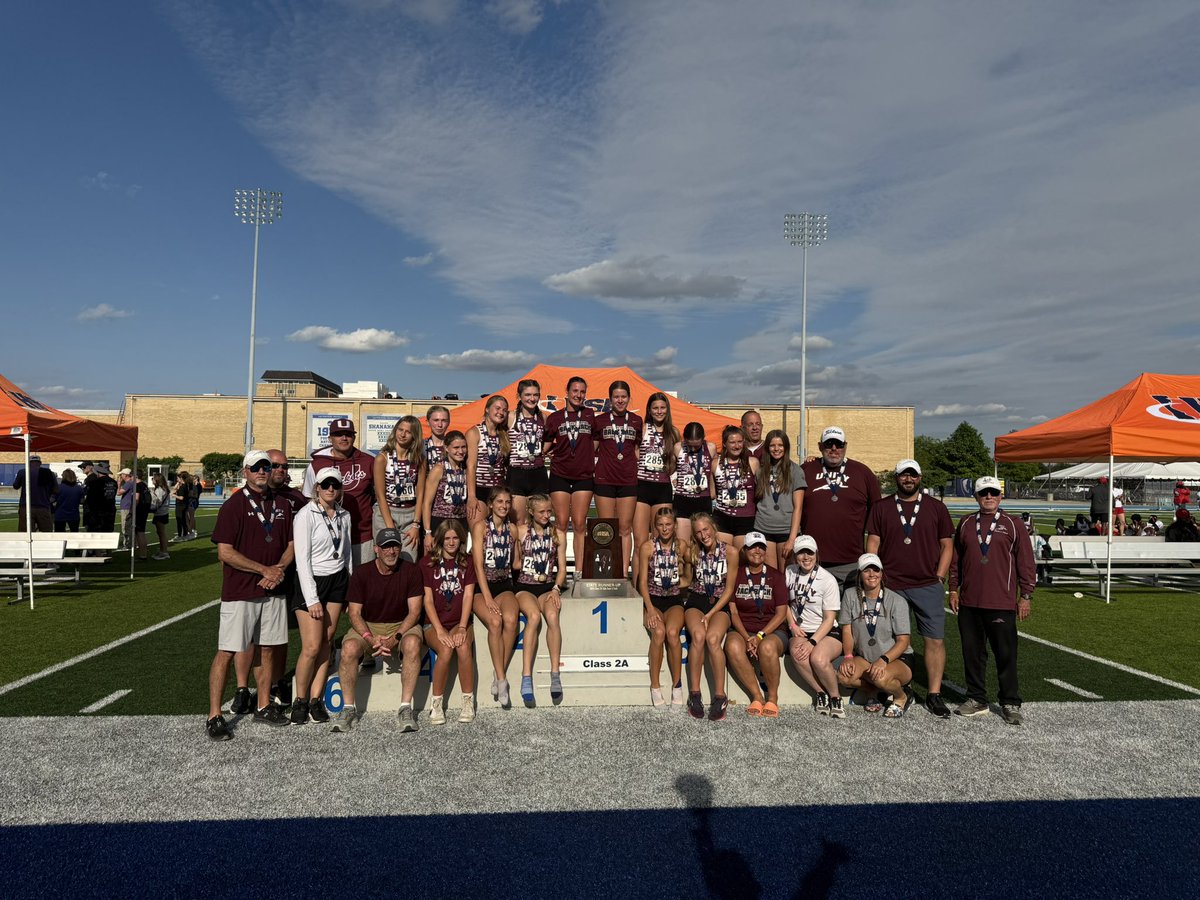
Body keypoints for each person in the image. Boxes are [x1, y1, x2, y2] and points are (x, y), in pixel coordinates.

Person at [205, 450, 294, 741]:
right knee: (227, 651)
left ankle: (264, 704)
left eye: (266, 467)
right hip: (241, 590)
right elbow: (225, 552)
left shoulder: (282, 504)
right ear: (245, 471)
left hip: (274, 588)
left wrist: (278, 570)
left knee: (268, 648)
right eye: (256, 467)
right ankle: (214, 714)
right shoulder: (233, 505)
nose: (262, 472)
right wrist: (263, 570)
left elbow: (291, 544)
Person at [865, 459, 955, 718]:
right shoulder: (882, 507)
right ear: (896, 478)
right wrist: (875, 575)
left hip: (927, 584)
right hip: (892, 584)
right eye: (904, 475)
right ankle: (894, 686)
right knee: (889, 639)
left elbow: (947, 545)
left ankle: (934, 693)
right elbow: (873, 542)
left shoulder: (936, 507)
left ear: (920, 477)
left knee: (934, 639)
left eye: (912, 475)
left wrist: (939, 576)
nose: (908, 479)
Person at [949, 475, 1035, 726]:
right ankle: (976, 698)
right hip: (970, 602)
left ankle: (1010, 701)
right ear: (975, 496)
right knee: (972, 654)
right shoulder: (966, 523)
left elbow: (1026, 561)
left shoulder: (1013, 524)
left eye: (993, 493)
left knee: (1005, 655)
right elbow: (956, 560)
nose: (989, 497)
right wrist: (953, 589)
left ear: (1001, 496)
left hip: (1001, 602)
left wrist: (1026, 595)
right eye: (984, 493)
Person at [330, 527, 425, 734]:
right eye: (386, 547)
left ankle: (405, 708)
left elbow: (414, 612)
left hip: (401, 624)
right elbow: (354, 613)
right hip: (369, 624)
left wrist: (396, 637)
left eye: (395, 546)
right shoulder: (362, 573)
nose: (391, 551)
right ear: (376, 549)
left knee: (412, 643)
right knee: (349, 648)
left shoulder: (411, 571)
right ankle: (348, 708)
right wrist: (370, 638)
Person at [289, 466, 353, 725]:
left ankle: (316, 699)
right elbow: (302, 560)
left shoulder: (344, 515)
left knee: (327, 641)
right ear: (317, 488)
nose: (330, 489)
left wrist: (349, 588)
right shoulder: (305, 515)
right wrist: (312, 598)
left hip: (337, 580)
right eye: (325, 484)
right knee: (312, 646)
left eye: (335, 485)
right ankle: (300, 700)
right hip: (312, 581)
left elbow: (346, 553)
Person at [800, 426, 882, 586]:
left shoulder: (863, 472)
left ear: (845, 446)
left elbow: (878, 514)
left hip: (851, 562)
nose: (834, 448)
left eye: (838, 444)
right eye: (828, 444)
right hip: (812, 560)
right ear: (820, 446)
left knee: (851, 603)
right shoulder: (806, 470)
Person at [836, 553, 916, 718]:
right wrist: (848, 656)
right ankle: (873, 691)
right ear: (860, 574)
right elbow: (847, 630)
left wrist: (883, 660)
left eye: (876, 569)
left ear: (881, 572)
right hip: (865, 657)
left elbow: (903, 641)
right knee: (843, 676)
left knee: (880, 677)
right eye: (866, 570)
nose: (871, 574)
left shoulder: (896, 600)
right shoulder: (850, 595)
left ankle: (901, 696)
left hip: (896, 658)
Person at [722, 531, 788, 717]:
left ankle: (772, 698)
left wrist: (759, 636)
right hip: (743, 629)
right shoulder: (736, 575)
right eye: (752, 547)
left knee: (767, 647)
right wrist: (747, 637)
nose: (757, 551)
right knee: (733, 646)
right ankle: (757, 696)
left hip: (772, 630)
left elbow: (781, 613)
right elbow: (734, 611)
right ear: (744, 550)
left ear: (766, 550)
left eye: (761, 547)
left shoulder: (776, 576)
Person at [420, 520, 477, 725]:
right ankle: (436, 703)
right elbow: (427, 600)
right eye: (447, 538)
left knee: (462, 647)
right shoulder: (427, 563)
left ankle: (468, 701)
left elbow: (468, 596)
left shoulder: (467, 562)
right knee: (445, 649)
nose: (451, 542)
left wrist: (462, 627)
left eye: (455, 538)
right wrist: (439, 630)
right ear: (440, 540)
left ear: (461, 539)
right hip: (434, 623)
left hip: (459, 621)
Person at [681, 511, 737, 720]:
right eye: (698, 532)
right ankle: (695, 694)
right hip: (697, 600)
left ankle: (720, 696)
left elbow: (729, 590)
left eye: (706, 529)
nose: (703, 535)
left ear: (714, 528)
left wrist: (711, 613)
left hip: (719, 603)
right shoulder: (693, 553)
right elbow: (687, 580)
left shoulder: (731, 552)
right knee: (698, 636)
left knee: (713, 639)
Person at [514, 493, 567, 706]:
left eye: (549, 511)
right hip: (524, 587)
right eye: (542, 512)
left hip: (547, 588)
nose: (546, 515)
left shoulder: (558, 534)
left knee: (552, 616)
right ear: (531, 512)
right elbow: (514, 564)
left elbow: (562, 569)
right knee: (534, 617)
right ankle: (526, 676)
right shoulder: (520, 531)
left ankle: (555, 674)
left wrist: (556, 589)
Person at [471, 486, 521, 708]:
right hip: (482, 587)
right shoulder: (480, 527)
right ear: (490, 504)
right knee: (495, 622)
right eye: (499, 502)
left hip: (505, 585)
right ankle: (502, 680)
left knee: (511, 620)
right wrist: (488, 598)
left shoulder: (513, 529)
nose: (504, 506)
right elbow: (478, 566)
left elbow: (516, 563)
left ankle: (498, 672)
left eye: (507, 502)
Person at [302, 416, 376, 565]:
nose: (344, 438)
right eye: (338, 434)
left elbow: (378, 495)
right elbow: (309, 499)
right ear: (330, 438)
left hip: (362, 535)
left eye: (348, 434)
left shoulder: (369, 461)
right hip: (328, 536)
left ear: (354, 437)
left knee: (363, 576)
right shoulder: (317, 464)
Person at [784, 535, 844, 717]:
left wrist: (812, 642)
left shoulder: (827, 579)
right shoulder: (789, 572)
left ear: (816, 554)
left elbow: (829, 619)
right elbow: (784, 603)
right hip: (800, 629)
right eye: (801, 553)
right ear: (795, 556)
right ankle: (820, 692)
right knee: (797, 654)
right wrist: (792, 624)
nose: (805, 557)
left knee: (818, 658)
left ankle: (835, 696)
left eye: (809, 552)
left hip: (826, 631)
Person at [638, 505, 692, 708]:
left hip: (673, 600)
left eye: (668, 524)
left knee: (672, 633)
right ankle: (655, 685)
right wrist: (650, 609)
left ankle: (677, 685)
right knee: (659, 633)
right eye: (660, 525)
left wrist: (683, 582)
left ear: (675, 525)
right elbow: (642, 583)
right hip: (652, 600)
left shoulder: (682, 546)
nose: (665, 528)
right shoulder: (647, 547)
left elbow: (690, 573)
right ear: (655, 527)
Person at [544, 375, 596, 572]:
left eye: (582, 392)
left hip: (584, 475)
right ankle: (561, 569)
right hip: (560, 474)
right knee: (561, 523)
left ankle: (579, 572)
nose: (578, 395)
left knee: (580, 524)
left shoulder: (590, 415)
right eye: (575, 391)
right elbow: (545, 444)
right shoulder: (555, 418)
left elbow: (596, 441)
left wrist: (585, 455)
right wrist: (545, 452)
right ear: (566, 392)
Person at [594, 381, 642, 577]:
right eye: (616, 397)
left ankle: (622, 574)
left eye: (623, 397)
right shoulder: (600, 420)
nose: (620, 400)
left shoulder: (637, 421)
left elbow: (637, 450)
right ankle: (606, 572)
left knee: (624, 529)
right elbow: (592, 448)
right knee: (606, 528)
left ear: (629, 398)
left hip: (628, 480)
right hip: (604, 478)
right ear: (610, 399)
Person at [632, 392, 679, 567]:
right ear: (649, 410)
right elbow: (635, 453)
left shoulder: (673, 432)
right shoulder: (643, 428)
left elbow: (673, 465)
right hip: (642, 486)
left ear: (667, 410)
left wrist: (668, 464)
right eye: (655, 408)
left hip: (662, 488)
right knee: (640, 542)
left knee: (660, 541)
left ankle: (657, 579)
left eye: (662, 408)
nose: (659, 411)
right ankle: (638, 582)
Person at [372, 415, 425, 563]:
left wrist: (416, 524)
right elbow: (380, 495)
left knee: (409, 560)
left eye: (408, 432)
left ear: (414, 435)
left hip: (410, 515)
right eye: (400, 430)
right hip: (386, 513)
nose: (402, 434)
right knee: (387, 560)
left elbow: (420, 493)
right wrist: (390, 528)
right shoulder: (382, 458)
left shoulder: (419, 459)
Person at [753, 429, 806, 571]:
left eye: (780, 445)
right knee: (770, 575)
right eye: (772, 445)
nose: (776, 449)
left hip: (786, 530)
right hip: (764, 528)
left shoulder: (795, 471)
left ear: (786, 447)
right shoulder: (760, 471)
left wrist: (792, 539)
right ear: (767, 448)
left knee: (786, 574)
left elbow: (798, 508)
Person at [507, 379, 549, 527]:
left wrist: (543, 451)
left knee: (537, 523)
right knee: (518, 522)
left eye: (535, 395)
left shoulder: (543, 418)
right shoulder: (510, 417)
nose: (532, 398)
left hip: (538, 473)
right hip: (516, 473)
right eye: (528, 395)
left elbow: (548, 439)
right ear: (519, 396)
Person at [712, 425, 759, 548]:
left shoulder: (752, 462)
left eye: (739, 442)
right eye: (732, 442)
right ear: (724, 444)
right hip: (722, 517)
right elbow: (712, 493)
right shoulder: (716, 463)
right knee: (724, 555)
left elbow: (759, 492)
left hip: (746, 518)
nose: (737, 446)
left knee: (741, 555)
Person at [422, 429, 469, 552]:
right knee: (435, 558)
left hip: (460, 522)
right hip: (439, 521)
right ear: (446, 448)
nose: (460, 451)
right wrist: (427, 532)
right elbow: (427, 503)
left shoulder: (466, 469)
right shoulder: (438, 469)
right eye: (456, 447)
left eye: (463, 447)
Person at [467, 395, 511, 525]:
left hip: (498, 491)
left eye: (504, 410)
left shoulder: (504, 434)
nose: (501, 412)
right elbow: (471, 466)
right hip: (480, 489)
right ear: (487, 409)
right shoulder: (474, 432)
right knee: (478, 533)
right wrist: (471, 496)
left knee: (496, 533)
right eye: (497, 408)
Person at [672, 422, 715, 544]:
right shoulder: (678, 447)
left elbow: (713, 472)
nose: (692, 449)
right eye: (689, 445)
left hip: (703, 500)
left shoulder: (711, 448)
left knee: (703, 544)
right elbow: (672, 469)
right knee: (682, 543)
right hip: (682, 500)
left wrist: (713, 491)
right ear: (684, 439)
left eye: (696, 446)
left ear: (703, 438)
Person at [14, 455, 57, 533]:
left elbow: (16, 486)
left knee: (25, 533)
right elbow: (56, 490)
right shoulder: (49, 472)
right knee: (47, 533)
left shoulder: (23, 472)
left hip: (26, 507)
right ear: (40, 463)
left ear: (29, 463)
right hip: (43, 507)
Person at [84, 462, 117, 537]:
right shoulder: (114, 482)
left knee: (96, 535)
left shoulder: (95, 482)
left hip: (98, 513)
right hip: (110, 511)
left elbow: (90, 499)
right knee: (108, 534)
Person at [53, 468, 84, 534]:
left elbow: (52, 499)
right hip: (74, 515)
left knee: (59, 535)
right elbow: (82, 501)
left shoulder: (59, 487)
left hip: (60, 515)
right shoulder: (79, 488)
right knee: (74, 534)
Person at [148, 473, 171, 559]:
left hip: (161, 513)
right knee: (160, 532)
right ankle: (162, 550)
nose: (152, 480)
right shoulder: (162, 489)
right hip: (162, 512)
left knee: (161, 533)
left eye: (153, 479)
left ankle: (164, 552)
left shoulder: (160, 490)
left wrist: (151, 496)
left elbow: (157, 502)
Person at [424, 404, 451, 471]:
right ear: (428, 422)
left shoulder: (455, 446)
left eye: (444, 420)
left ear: (449, 422)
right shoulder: (421, 447)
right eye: (436, 420)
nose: (440, 425)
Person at [131, 470, 151, 561]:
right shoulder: (144, 485)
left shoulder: (138, 485)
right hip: (144, 510)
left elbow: (136, 499)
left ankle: (143, 554)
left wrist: (132, 511)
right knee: (140, 532)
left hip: (139, 511)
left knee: (140, 532)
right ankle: (143, 553)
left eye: (131, 476)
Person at [117, 467, 137, 549]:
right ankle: (131, 543)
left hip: (126, 506)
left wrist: (118, 485)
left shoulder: (128, 483)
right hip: (128, 506)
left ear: (125, 475)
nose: (121, 476)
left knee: (125, 526)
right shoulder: (132, 483)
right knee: (129, 526)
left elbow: (119, 493)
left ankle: (128, 543)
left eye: (122, 475)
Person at [171, 473, 191, 541]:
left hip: (180, 505)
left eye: (178, 478)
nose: (177, 480)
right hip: (183, 505)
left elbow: (181, 497)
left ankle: (180, 535)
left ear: (181, 479)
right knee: (183, 520)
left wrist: (175, 496)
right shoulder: (185, 485)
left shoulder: (183, 487)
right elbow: (174, 489)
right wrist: (178, 483)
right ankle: (185, 534)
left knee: (179, 520)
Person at [187, 470, 201, 538]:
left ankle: (192, 530)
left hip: (193, 502)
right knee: (190, 516)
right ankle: (192, 529)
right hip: (191, 501)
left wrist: (189, 495)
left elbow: (196, 495)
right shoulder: (190, 486)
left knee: (191, 516)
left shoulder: (196, 486)